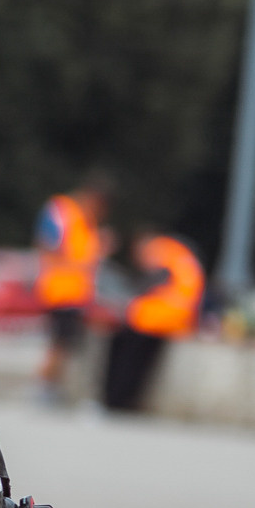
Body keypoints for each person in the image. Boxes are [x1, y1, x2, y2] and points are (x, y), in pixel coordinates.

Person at [101, 230, 203, 413]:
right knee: (141, 363)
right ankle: (126, 401)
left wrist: (131, 299)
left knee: (124, 354)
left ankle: (114, 400)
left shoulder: (156, 249)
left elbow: (154, 280)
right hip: (177, 320)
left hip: (153, 318)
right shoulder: (178, 252)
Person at [34, 177, 107, 404]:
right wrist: (77, 265)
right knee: (59, 344)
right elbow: (47, 245)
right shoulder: (63, 211)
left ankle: (51, 388)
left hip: (75, 294)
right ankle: (43, 390)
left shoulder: (86, 223)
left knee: (63, 345)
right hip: (61, 291)